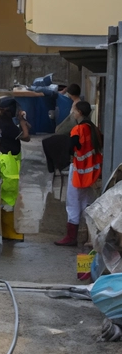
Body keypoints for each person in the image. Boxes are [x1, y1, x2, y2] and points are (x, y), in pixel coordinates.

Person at [55, 101, 103, 247]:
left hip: (78, 171)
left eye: (74, 111)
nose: (73, 113)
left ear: (80, 113)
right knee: (88, 203)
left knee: (73, 204)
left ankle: (71, 237)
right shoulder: (94, 128)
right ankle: (91, 237)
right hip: (92, 172)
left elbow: (71, 148)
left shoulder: (78, 129)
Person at [0, 97, 31, 241]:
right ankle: (8, 231)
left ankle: (5, 229)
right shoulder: (10, 126)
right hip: (10, 164)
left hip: (5, 158)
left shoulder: (0, 122)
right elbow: (26, 136)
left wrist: (21, 121)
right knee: (9, 198)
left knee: (5, 197)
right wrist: (21, 121)